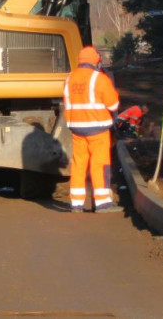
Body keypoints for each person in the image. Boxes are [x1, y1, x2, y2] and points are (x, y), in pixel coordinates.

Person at [63, 46, 122, 213]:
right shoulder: (100, 78)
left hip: (77, 128)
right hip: (98, 128)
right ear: (96, 61)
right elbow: (113, 104)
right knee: (100, 163)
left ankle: (76, 204)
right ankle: (102, 204)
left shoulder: (69, 79)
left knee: (78, 164)